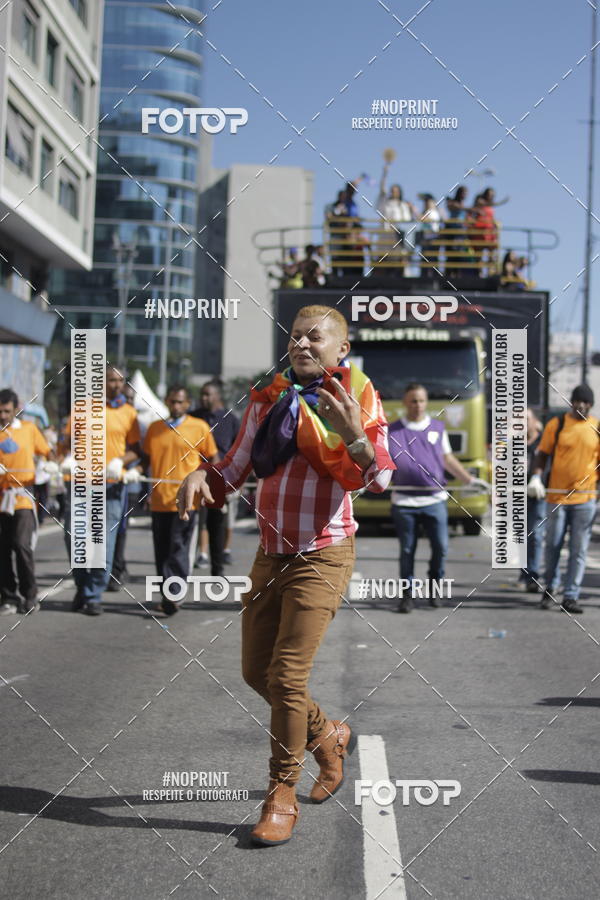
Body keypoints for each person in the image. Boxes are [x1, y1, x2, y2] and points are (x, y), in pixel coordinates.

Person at [176, 305, 395, 846]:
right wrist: (197, 478)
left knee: (288, 677)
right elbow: (235, 463)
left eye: (315, 337)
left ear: (340, 348)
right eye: (296, 335)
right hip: (271, 552)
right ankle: (327, 732)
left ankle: (281, 793)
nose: (302, 343)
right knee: (257, 673)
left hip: (324, 553)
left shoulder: (356, 393)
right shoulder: (268, 394)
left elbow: (379, 476)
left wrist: (355, 436)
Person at [388, 384, 489, 613]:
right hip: (404, 502)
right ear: (405, 402)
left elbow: (448, 460)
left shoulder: (437, 428)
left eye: (422, 401)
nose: (418, 405)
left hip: (434, 500)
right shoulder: (391, 431)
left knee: (441, 547)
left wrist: (470, 481)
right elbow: (383, 463)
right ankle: (407, 594)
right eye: (413, 401)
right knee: (407, 550)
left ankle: (434, 586)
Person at [59, 365, 142, 616]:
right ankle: (82, 585)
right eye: (110, 380)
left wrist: (121, 462)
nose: (115, 384)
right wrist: (67, 458)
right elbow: (66, 443)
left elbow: (136, 450)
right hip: (81, 484)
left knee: (102, 542)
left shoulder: (129, 413)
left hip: (111, 487)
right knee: (74, 537)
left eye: (119, 381)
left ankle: (93, 593)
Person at [138, 385, 218, 616]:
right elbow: (146, 459)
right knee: (162, 550)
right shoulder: (154, 429)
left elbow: (212, 459)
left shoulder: (199, 427)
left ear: (187, 404)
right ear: (166, 401)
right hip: (159, 500)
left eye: (180, 402)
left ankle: (174, 594)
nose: (175, 406)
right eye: (172, 401)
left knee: (179, 547)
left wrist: (209, 485)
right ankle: (167, 595)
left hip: (187, 500)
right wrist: (133, 474)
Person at [528, 384, 600, 614]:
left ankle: (571, 595)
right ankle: (551, 588)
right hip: (557, 498)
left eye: (586, 402)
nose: (581, 405)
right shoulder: (556, 425)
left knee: (579, 550)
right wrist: (536, 478)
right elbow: (542, 454)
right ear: (571, 402)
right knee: (553, 545)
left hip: (585, 499)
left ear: (591, 405)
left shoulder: (597, 428)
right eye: (577, 401)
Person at [0, 389, 55, 614]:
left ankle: (30, 594)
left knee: (22, 545)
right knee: (2, 550)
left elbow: (47, 453)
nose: (2, 415)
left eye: (6, 411)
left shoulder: (29, 430)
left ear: (16, 409)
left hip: (22, 496)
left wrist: (49, 465)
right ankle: (9, 596)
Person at [190, 382, 240, 572]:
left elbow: (238, 448)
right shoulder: (194, 417)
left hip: (221, 476)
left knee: (219, 522)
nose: (204, 398)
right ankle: (201, 554)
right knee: (200, 520)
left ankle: (218, 564)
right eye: (202, 394)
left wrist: (237, 479)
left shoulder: (230, 419)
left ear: (217, 396)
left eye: (207, 394)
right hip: (196, 476)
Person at [518, 409, 545, 592]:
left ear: (535, 421)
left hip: (539, 493)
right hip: (519, 495)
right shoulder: (515, 444)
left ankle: (533, 575)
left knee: (535, 533)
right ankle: (524, 572)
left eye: (526, 419)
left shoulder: (543, 442)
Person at [375, 163, 416, 273]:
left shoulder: (403, 205)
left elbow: (407, 222)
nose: (393, 192)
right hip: (386, 235)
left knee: (400, 259)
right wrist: (385, 173)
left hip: (398, 236)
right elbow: (382, 190)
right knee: (384, 260)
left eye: (395, 190)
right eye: (392, 190)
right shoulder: (385, 202)